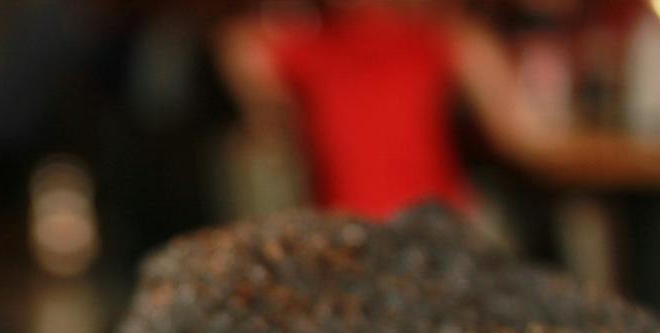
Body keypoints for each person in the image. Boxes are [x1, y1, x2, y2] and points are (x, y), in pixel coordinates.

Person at [215, 0, 660, 221]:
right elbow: (532, 142)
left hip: (432, 225)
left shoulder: (444, 39)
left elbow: (534, 143)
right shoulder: (307, 46)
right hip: (357, 232)